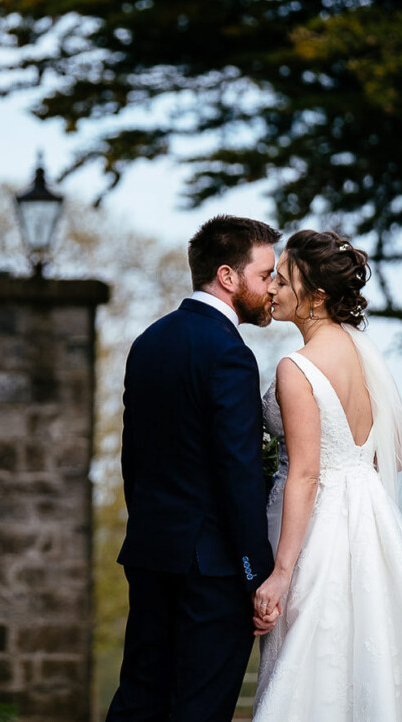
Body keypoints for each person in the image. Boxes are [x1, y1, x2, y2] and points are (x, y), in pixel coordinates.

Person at [251, 229, 402, 721]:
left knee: (317, 655)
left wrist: (280, 574)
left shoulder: (295, 368)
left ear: (315, 298)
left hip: (318, 530)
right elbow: (401, 451)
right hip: (372, 521)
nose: (272, 288)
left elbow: (304, 474)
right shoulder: (362, 351)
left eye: (282, 279)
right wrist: (354, 466)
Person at [106, 215, 281, 722]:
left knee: (139, 698)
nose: (271, 288)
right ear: (228, 277)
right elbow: (239, 470)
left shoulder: (149, 341)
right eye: (265, 274)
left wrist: (150, 530)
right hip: (213, 569)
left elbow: (132, 459)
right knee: (200, 707)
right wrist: (256, 572)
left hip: (151, 554)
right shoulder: (228, 352)